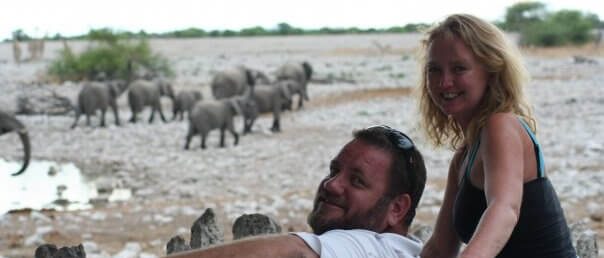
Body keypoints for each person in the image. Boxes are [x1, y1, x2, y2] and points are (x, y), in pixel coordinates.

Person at [417, 14, 576, 258]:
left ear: (491, 71)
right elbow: (440, 248)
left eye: (459, 68)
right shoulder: (463, 158)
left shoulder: (500, 125)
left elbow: (504, 209)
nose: (444, 82)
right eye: (434, 70)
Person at [166, 125, 427, 258]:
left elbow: (296, 252)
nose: (331, 184)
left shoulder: (376, 248)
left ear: (397, 209)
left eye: (357, 181)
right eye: (333, 171)